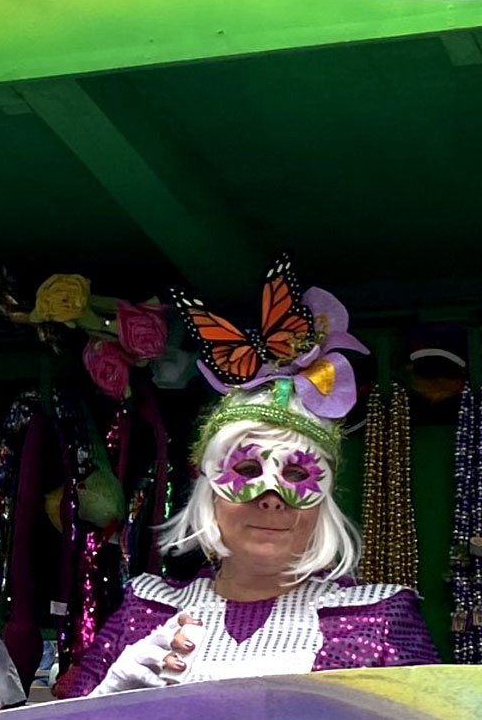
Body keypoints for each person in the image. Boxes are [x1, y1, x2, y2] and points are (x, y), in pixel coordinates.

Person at [56, 278, 439, 697]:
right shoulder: (147, 610)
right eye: (246, 469)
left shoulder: (380, 617)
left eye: (297, 476)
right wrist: (102, 706)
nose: (271, 500)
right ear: (208, 488)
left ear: (324, 500)